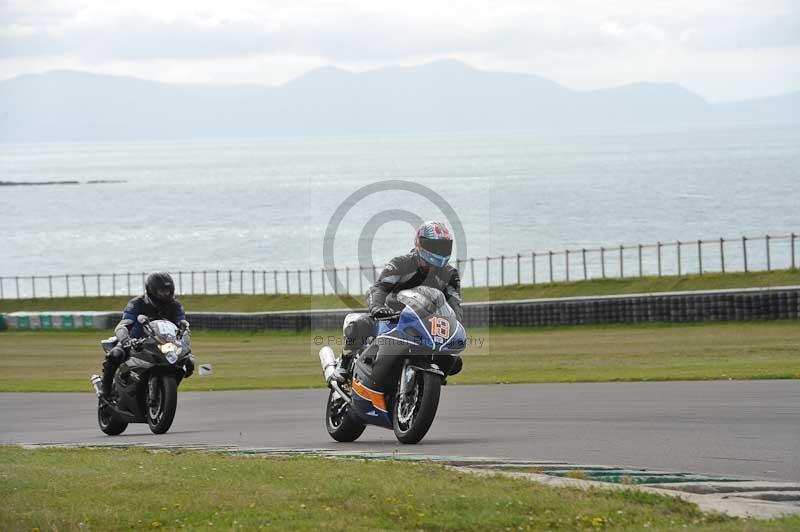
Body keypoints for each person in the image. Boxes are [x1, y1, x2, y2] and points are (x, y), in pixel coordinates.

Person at [332, 221, 463, 383]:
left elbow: (455, 307)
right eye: (434, 246)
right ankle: (344, 364)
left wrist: (454, 328)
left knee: (454, 360)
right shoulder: (401, 263)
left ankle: (428, 382)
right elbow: (379, 289)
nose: (439, 251)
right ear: (420, 244)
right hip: (392, 318)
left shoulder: (450, 274)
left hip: (426, 326)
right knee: (358, 325)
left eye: (443, 247)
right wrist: (377, 307)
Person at [99, 272, 193, 397]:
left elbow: (182, 324)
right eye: (162, 291)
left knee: (188, 361)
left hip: (162, 342)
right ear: (152, 290)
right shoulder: (136, 303)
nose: (166, 294)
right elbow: (124, 324)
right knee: (115, 354)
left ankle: (164, 392)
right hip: (135, 341)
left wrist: (184, 340)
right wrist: (126, 339)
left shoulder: (175, 305)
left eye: (168, 291)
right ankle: (105, 389)